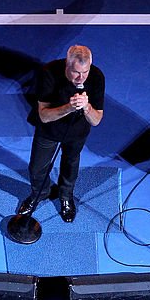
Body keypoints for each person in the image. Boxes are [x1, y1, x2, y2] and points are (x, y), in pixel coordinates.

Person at [16, 45, 104, 223]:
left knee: (70, 165)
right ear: (67, 65)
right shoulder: (49, 73)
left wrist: (86, 107)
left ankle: (66, 196)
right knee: (36, 168)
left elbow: (96, 120)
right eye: (76, 72)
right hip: (49, 131)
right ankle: (40, 193)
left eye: (85, 72)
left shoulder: (96, 77)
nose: (81, 78)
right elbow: (44, 116)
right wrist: (69, 107)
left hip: (77, 133)